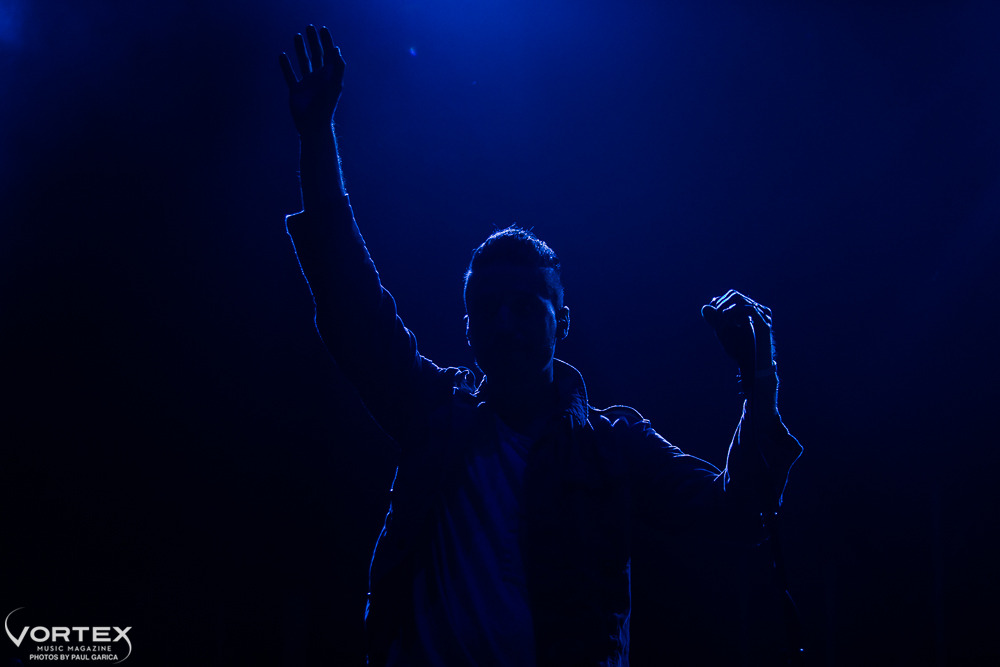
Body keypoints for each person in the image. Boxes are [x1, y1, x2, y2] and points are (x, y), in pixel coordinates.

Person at [280, 25, 802, 667]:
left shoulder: (610, 444)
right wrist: (315, 138)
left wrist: (761, 384)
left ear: (563, 322)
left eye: (526, 307)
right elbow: (348, 302)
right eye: (487, 310)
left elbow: (738, 515)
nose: (505, 325)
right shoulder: (433, 415)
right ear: (467, 329)